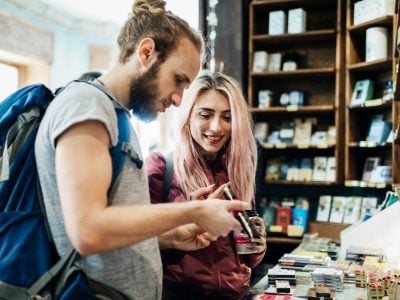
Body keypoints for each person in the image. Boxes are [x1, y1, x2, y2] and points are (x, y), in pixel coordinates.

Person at [34, 1, 249, 299]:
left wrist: (171, 235)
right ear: (146, 53)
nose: (177, 100)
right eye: (178, 80)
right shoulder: (87, 104)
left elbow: (112, 236)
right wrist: (195, 209)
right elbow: (88, 231)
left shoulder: (114, 113)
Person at [146, 71, 267, 299]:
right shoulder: (161, 168)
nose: (216, 127)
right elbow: (137, 244)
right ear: (188, 116)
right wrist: (184, 221)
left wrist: (256, 244)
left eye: (227, 117)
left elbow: (248, 257)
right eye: (205, 115)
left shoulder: (237, 170)